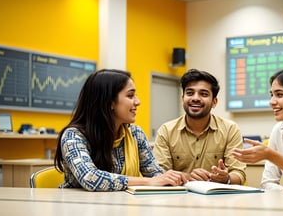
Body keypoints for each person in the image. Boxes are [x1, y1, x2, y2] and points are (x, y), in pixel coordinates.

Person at [54, 69, 186, 191]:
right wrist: (148, 182)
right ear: (109, 102)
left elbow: (155, 175)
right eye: (130, 96)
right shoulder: (73, 136)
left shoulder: (136, 134)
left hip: (123, 207)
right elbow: (91, 179)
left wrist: (177, 177)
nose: (138, 102)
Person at [152, 68, 246, 185]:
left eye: (204, 94)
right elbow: (159, 174)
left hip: (217, 199)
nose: (195, 98)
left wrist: (225, 178)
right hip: (177, 199)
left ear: (214, 102)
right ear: (183, 98)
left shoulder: (230, 129)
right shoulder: (166, 130)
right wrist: (187, 176)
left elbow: (239, 173)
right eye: (190, 93)